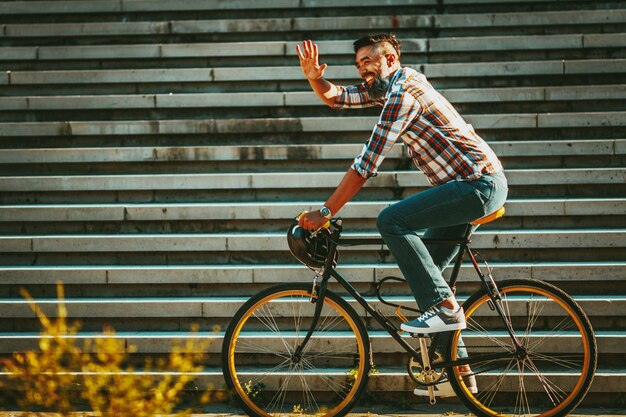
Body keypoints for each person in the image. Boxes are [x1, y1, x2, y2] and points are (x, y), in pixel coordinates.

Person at [295, 34, 508, 396]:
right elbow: (340, 98)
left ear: (390, 59)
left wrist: (327, 211)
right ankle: (456, 377)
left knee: (391, 220)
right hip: (464, 189)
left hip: (477, 185)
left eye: (369, 61)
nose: (362, 69)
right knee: (429, 280)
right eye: (358, 63)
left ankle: (443, 309)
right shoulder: (389, 87)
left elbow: (366, 163)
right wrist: (315, 77)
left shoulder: (404, 93)